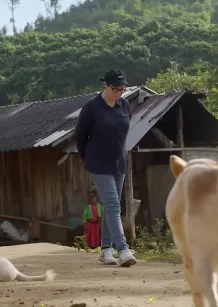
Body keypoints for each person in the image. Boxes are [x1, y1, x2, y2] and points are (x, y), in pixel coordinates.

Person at [74, 69, 137, 267]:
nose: (119, 92)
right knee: (112, 205)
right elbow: (80, 136)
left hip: (119, 162)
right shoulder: (92, 107)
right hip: (98, 163)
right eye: (116, 89)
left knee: (113, 207)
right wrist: (87, 157)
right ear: (105, 85)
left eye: (122, 88)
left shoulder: (124, 105)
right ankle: (123, 250)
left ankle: (106, 250)